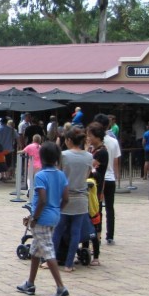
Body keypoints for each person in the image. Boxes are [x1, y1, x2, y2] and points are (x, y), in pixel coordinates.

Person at [16, 141, 70, 296]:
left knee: (47, 251)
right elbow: (66, 198)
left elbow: (42, 200)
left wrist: (35, 218)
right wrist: (57, 210)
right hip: (55, 215)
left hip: (42, 217)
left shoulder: (40, 175)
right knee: (35, 251)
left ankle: (61, 287)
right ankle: (30, 283)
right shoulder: (61, 175)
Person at [54, 126, 94, 272]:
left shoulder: (63, 155)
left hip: (65, 196)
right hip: (81, 197)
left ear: (69, 140)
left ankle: (50, 260)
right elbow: (88, 174)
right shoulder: (89, 156)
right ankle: (69, 264)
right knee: (75, 232)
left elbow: (58, 173)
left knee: (58, 230)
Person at [93, 114, 120, 245]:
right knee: (110, 207)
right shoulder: (114, 141)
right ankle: (110, 235)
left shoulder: (95, 143)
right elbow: (116, 161)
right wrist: (116, 176)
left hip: (99, 178)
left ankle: (97, 233)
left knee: (97, 208)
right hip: (110, 177)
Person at [86, 122, 108, 265]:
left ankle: (96, 251)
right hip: (92, 189)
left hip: (94, 189)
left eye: (90, 135)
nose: (88, 137)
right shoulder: (96, 150)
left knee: (95, 219)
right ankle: (89, 249)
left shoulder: (101, 152)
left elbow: (90, 166)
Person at [0, 117, 18, 182]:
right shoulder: (11, 129)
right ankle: (7, 176)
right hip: (9, 149)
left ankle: (2, 176)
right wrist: (19, 145)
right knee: (8, 163)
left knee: (1, 162)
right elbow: (17, 137)